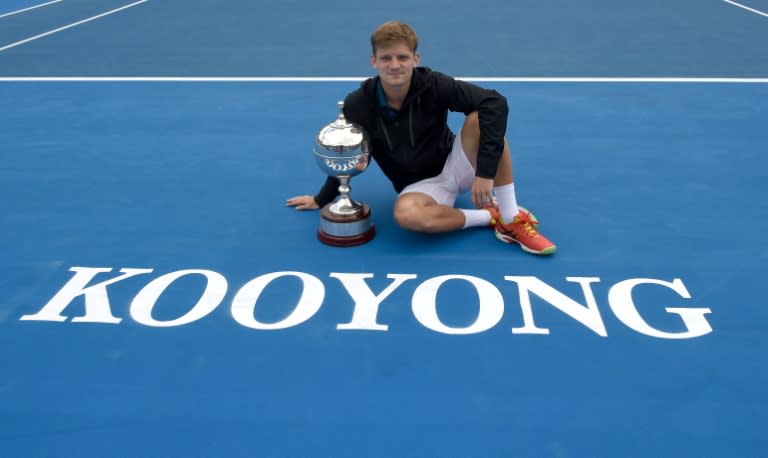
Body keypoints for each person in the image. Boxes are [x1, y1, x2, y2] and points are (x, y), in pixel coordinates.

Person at [286, 21, 556, 255]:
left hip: (457, 165)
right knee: (406, 215)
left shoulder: (435, 85)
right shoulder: (358, 104)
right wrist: (322, 199)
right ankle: (489, 216)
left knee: (479, 119)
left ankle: (510, 217)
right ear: (374, 61)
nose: (395, 65)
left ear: (416, 59)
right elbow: (350, 153)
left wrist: (484, 173)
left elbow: (494, 103)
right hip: (421, 188)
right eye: (386, 58)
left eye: (402, 58)